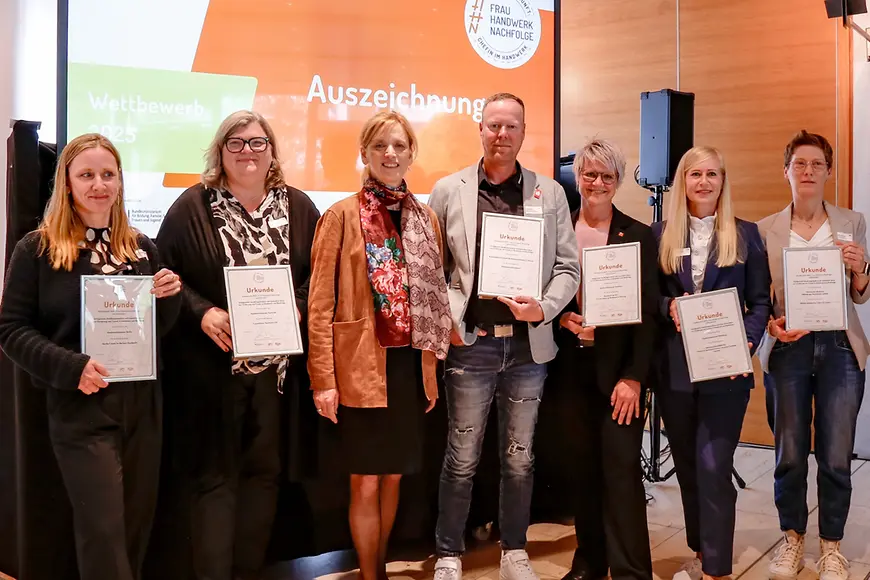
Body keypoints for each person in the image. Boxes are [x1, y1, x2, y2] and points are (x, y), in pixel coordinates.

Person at [0, 133, 182, 580]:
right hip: (81, 412)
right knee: (103, 535)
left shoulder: (141, 248)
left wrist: (169, 298)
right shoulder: (37, 249)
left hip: (142, 410)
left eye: (108, 174)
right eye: (86, 175)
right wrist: (71, 367)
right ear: (66, 183)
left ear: (120, 181)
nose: (98, 184)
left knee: (135, 531)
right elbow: (10, 329)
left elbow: (157, 332)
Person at [155, 110, 320, 580]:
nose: (247, 151)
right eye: (236, 143)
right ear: (220, 152)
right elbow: (165, 276)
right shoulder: (193, 205)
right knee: (215, 479)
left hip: (277, 374)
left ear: (272, 151)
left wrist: (301, 306)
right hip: (213, 371)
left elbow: (316, 276)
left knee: (264, 476)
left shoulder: (300, 206)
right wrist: (202, 312)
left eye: (257, 142)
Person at [428, 92, 580, 580]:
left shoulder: (549, 192)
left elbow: (568, 268)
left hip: (528, 347)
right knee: (462, 454)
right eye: (493, 125)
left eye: (511, 127)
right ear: (480, 129)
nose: (501, 135)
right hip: (470, 343)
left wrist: (546, 307)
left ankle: (514, 549)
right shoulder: (449, 190)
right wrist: (448, 321)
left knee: (519, 456)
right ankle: (448, 552)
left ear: (522, 132)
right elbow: (434, 269)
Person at [307, 110, 452, 580]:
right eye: (380, 146)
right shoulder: (339, 215)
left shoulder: (426, 217)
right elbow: (319, 306)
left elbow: (433, 299)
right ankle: (370, 575)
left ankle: (381, 568)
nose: (390, 154)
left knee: (393, 475)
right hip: (359, 370)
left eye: (399, 146)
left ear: (412, 153)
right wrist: (322, 381)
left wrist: (432, 369)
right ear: (365, 153)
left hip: (409, 368)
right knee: (365, 479)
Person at [653, 146, 771, 580]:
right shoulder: (659, 234)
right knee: (687, 466)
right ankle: (702, 551)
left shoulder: (746, 235)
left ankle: (717, 570)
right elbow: (649, 299)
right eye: (695, 174)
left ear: (724, 180)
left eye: (713, 174)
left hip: (727, 370)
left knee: (713, 466)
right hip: (675, 372)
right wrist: (669, 307)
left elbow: (761, 302)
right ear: (682, 181)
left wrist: (748, 340)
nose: (704, 182)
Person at [757, 131, 869, 580]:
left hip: (841, 347)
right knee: (789, 451)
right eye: (799, 164)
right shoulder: (764, 229)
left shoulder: (852, 221)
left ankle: (832, 546)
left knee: (837, 453)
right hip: (789, 348)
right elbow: (758, 298)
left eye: (817, 165)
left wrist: (861, 268)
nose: (808, 172)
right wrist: (769, 325)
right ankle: (792, 539)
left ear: (829, 171)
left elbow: (859, 295)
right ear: (786, 170)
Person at [554, 139, 658, 580]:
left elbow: (649, 314)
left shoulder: (637, 234)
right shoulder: (556, 231)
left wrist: (635, 378)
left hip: (618, 376)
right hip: (568, 371)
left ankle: (632, 570)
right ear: (577, 177)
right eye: (589, 174)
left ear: (618, 182)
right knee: (582, 471)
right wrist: (563, 320)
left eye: (606, 176)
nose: (596, 183)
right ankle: (589, 562)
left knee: (621, 474)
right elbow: (546, 295)